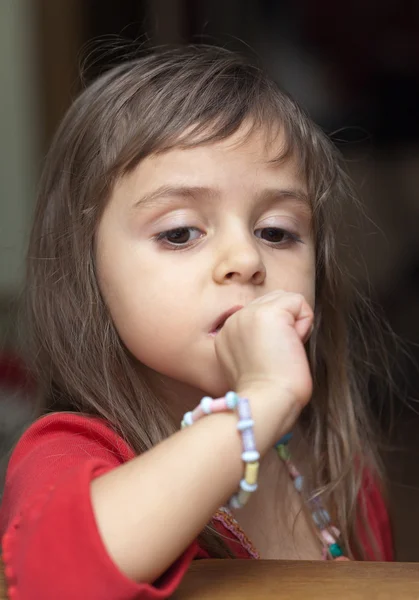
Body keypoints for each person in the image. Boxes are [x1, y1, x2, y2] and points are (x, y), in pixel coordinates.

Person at [0, 45, 393, 599]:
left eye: (276, 231)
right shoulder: (70, 453)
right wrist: (258, 403)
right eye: (180, 232)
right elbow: (50, 580)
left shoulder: (336, 469)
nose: (247, 260)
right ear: (86, 270)